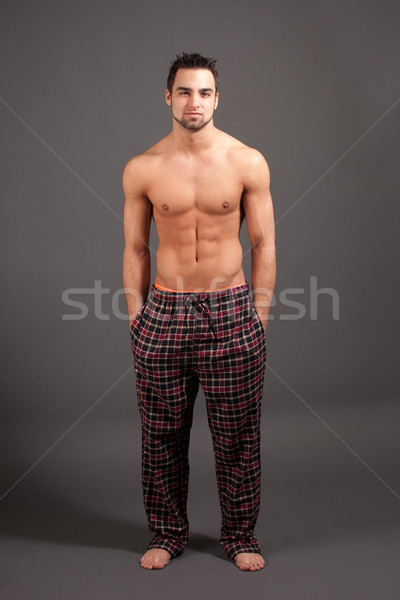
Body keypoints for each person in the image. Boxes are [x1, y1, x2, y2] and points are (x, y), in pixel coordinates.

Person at [122, 52, 276, 571]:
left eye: (204, 92)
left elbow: (264, 242)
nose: (195, 102)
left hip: (231, 311)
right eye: (185, 92)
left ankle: (240, 536)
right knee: (161, 434)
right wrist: (136, 316)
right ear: (168, 97)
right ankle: (167, 533)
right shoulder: (143, 168)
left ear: (217, 98)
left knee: (237, 434)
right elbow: (135, 250)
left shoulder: (246, 161)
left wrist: (259, 314)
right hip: (165, 311)